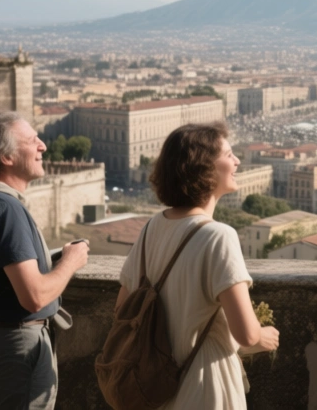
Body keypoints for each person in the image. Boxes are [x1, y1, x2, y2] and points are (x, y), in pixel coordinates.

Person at [116, 122, 279, 410]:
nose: (237, 161)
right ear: (204, 168)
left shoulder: (151, 227)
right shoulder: (219, 236)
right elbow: (246, 334)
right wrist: (264, 337)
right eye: (228, 155)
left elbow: (122, 309)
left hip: (155, 390)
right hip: (205, 388)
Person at [0, 111, 89, 410]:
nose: (43, 146)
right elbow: (34, 296)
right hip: (17, 343)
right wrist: (71, 261)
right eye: (32, 140)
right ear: (6, 156)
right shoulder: (5, 209)